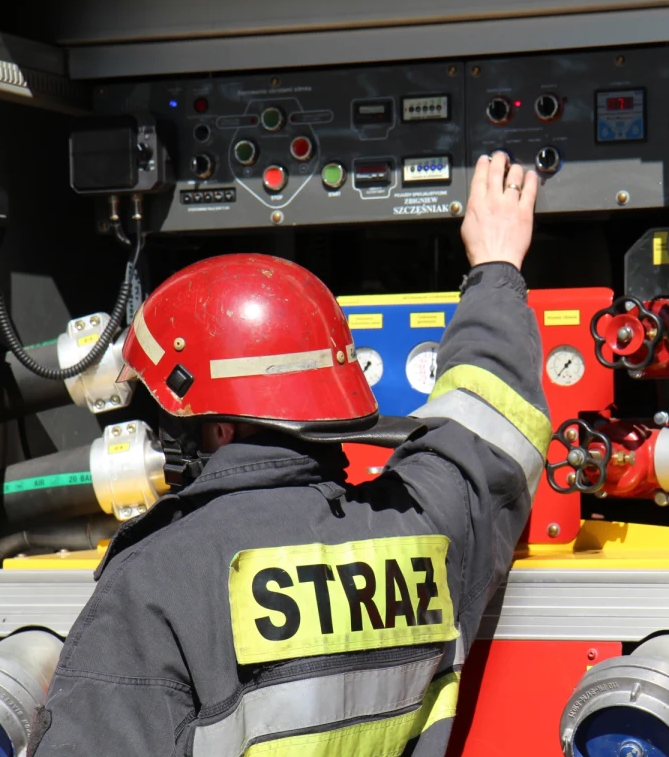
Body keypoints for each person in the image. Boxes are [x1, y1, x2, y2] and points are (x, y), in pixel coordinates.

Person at [30, 153, 547, 756]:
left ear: (219, 427)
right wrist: (497, 267)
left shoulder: (157, 583)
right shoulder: (422, 526)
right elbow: (492, 422)